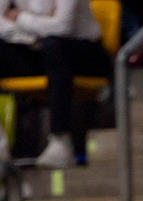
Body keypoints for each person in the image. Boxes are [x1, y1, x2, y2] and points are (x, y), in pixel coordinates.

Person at [0, 0, 112, 168]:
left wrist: (20, 17)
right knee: (49, 45)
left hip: (85, 51)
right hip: (35, 46)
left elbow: (62, 27)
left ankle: (60, 139)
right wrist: (34, 34)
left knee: (54, 45)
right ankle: (1, 145)